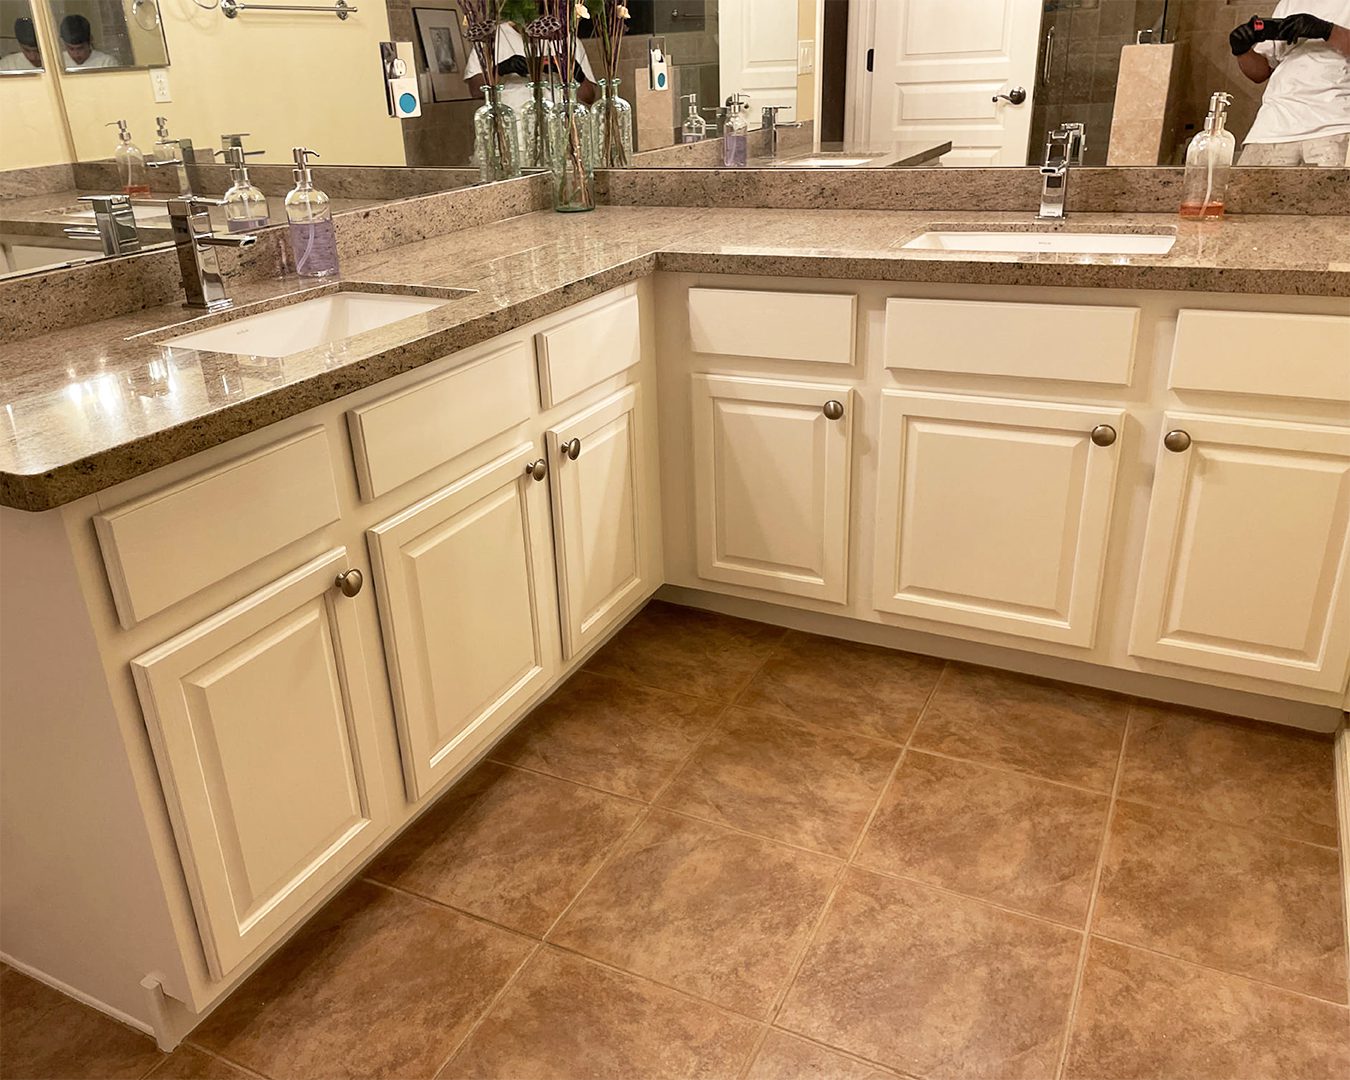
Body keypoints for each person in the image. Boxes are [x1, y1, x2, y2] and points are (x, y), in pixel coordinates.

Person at [1230, 3, 1350, 165]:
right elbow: (1259, 73)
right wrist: (1242, 49)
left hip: (1335, 126)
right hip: (1269, 129)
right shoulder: (1289, 3)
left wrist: (1327, 30)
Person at [463, 21, 597, 111]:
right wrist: (502, 69)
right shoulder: (493, 37)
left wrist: (576, 72)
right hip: (512, 131)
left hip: (558, 130)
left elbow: (589, 97)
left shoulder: (566, 39)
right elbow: (476, 90)